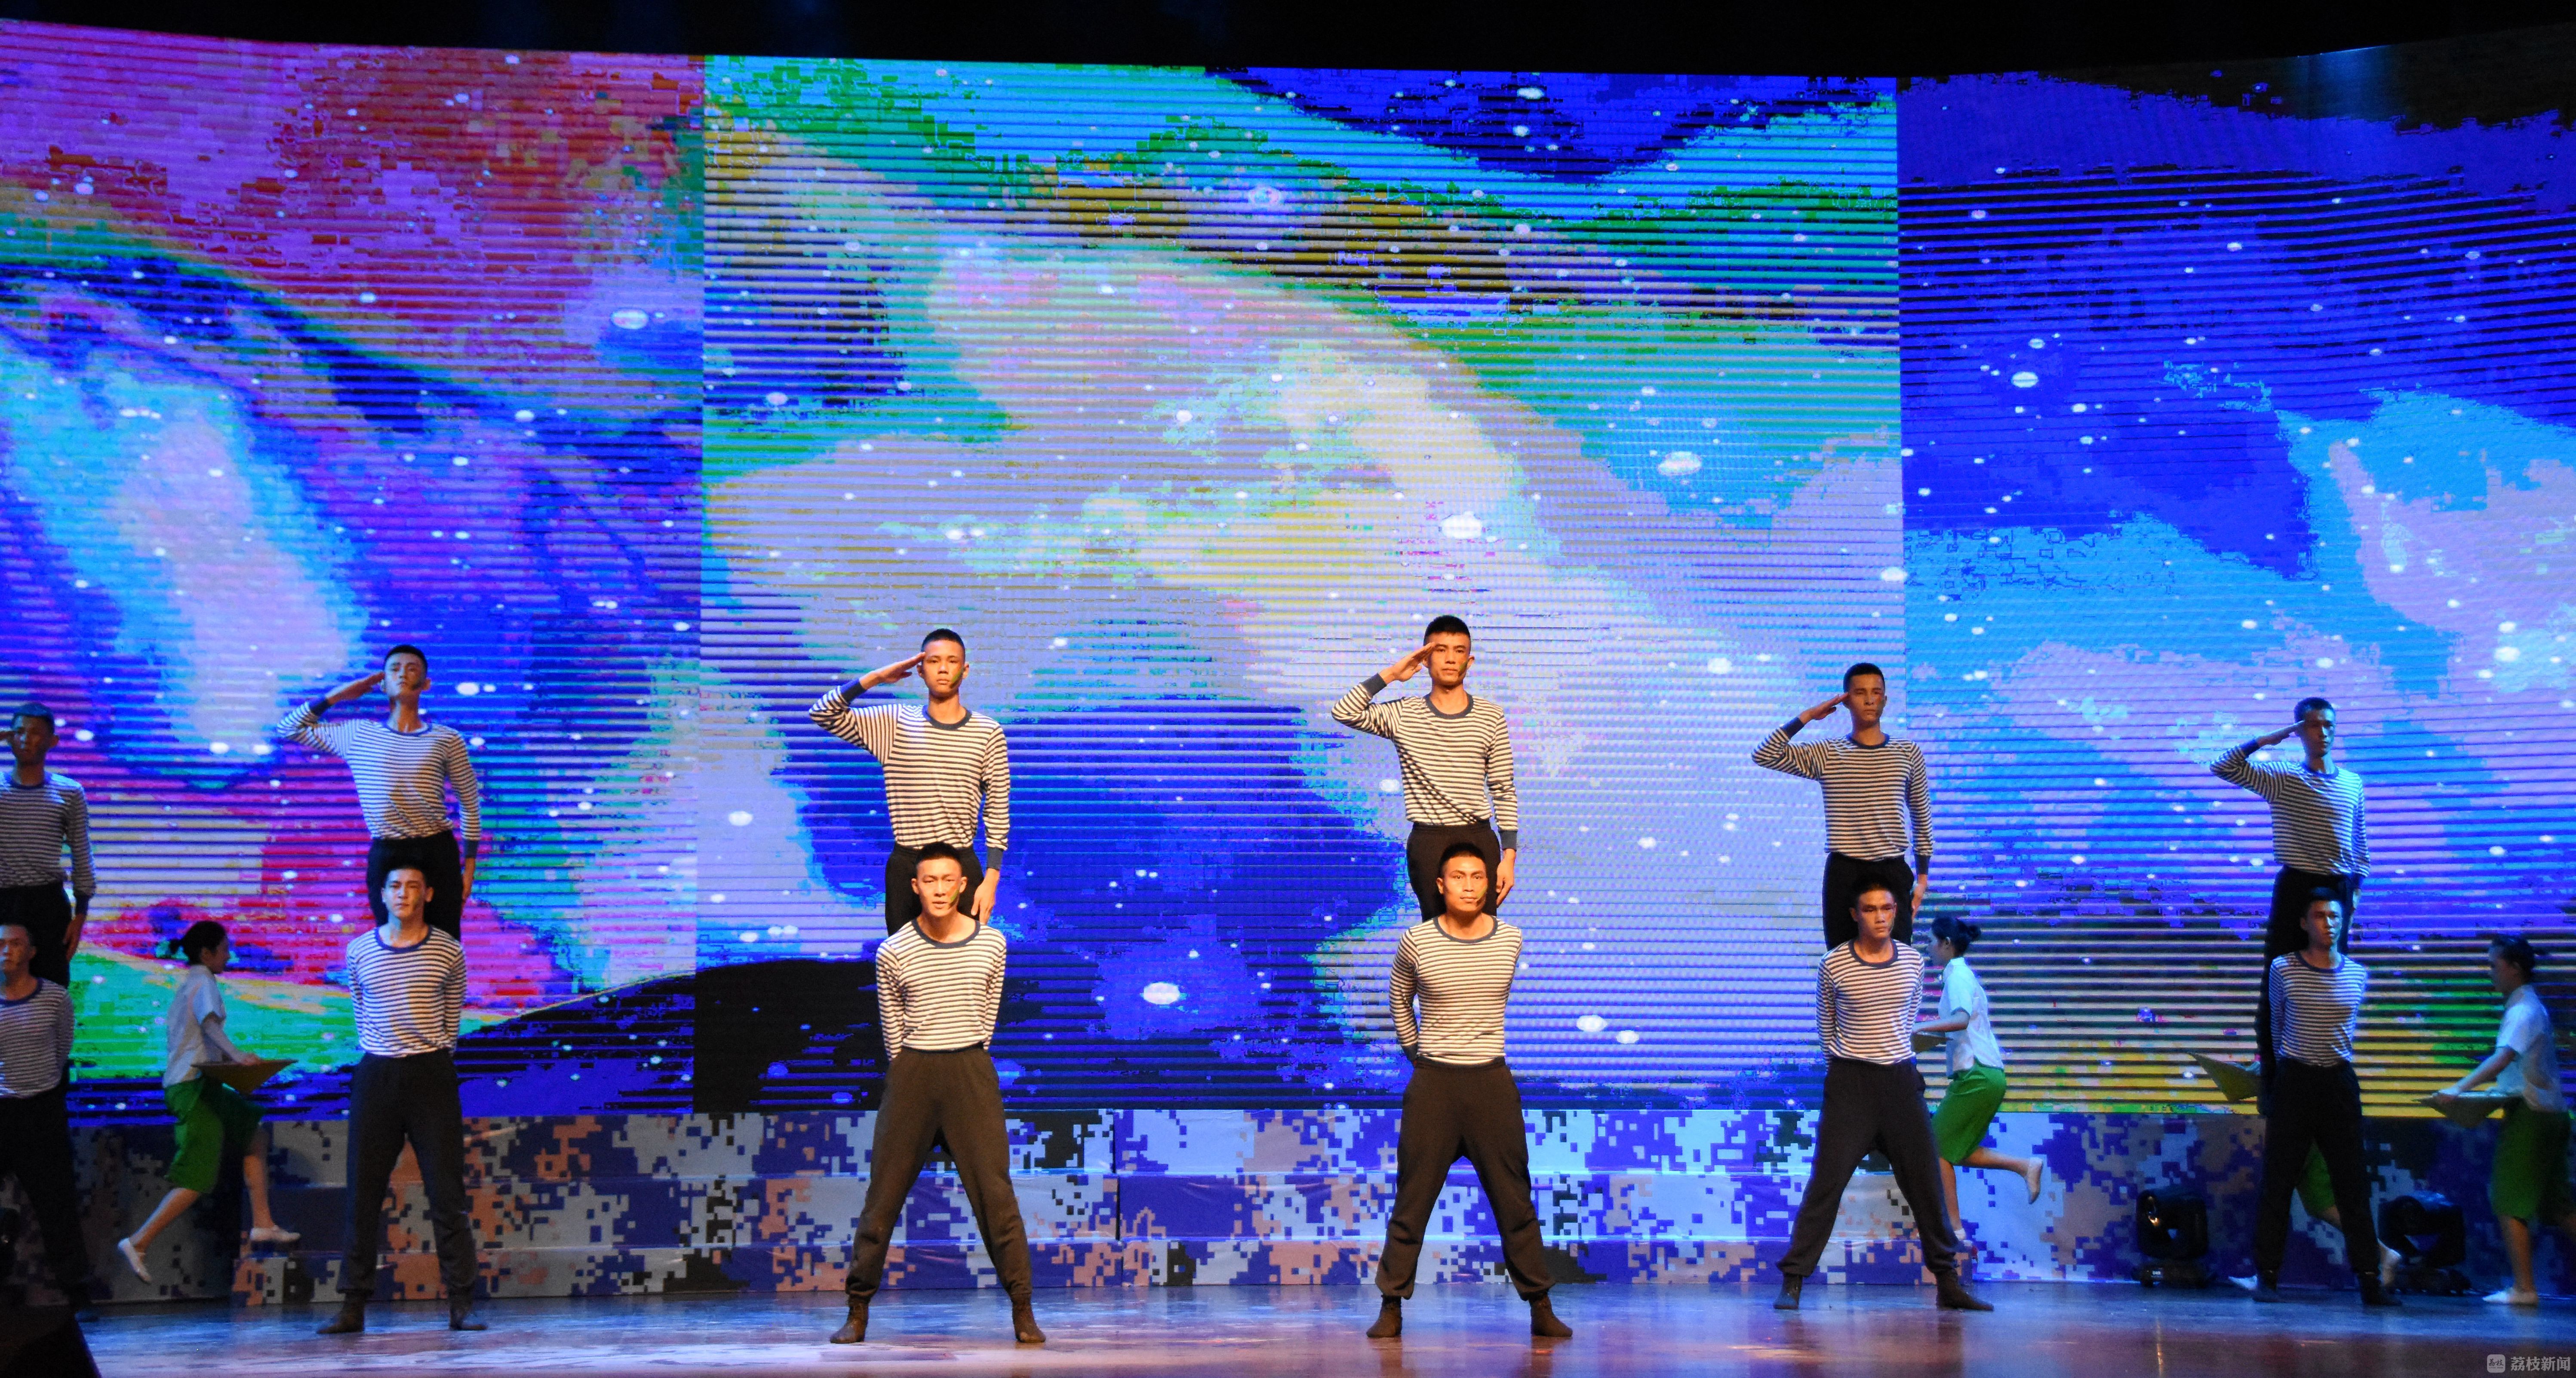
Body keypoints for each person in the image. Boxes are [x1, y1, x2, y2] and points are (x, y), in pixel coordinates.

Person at [834, 842, 1041, 1346]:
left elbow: (987, 1016)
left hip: (970, 1070)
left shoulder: (991, 943)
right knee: (883, 1196)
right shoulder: (894, 951)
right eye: (930, 881)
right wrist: (915, 1067)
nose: (940, 890)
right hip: (914, 1073)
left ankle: (1023, 1309)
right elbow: (892, 1029)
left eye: (949, 880)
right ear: (915, 886)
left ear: (963, 884)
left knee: (996, 1196)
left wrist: (962, 1053)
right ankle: (857, 1310)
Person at [1367, 843, 1570, 1341]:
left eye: (1477, 876)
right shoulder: (1416, 941)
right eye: (1457, 876)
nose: (1468, 885)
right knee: (1412, 1200)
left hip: (1489, 1083)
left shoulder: (1510, 939)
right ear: (1440, 886)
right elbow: (1399, 998)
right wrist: (1417, 1053)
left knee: (1514, 1201)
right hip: (1434, 1085)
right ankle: (1390, 1305)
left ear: (1490, 884)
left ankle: (1540, 1305)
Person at [1774, 884, 1989, 1312]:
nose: (1880, 917)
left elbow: (1906, 1020)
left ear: (1895, 913)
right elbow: (1826, 1026)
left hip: (1899, 1083)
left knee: (1925, 1184)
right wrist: (1848, 1067)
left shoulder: (1912, 961)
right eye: (1870, 909)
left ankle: (1947, 1283)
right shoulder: (1834, 963)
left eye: (1887, 909)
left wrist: (1893, 1057)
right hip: (1850, 1084)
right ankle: (1793, 1280)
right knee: (1826, 1184)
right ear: (1855, 914)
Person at [318, 866, 483, 1334]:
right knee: (363, 1192)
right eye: (395, 886)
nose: (403, 894)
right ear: (382, 894)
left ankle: (462, 1303)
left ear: (428, 894)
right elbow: (361, 1009)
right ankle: (353, 1304)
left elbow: (451, 1021)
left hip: (430, 1073)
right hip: (377, 1073)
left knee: (446, 1192)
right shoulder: (360, 950)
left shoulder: (448, 950)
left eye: (412, 887)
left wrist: (427, 1054)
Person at [114, 920, 298, 1283]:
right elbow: (210, 1026)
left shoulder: (191, 984)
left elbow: (203, 1038)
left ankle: (263, 1223)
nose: (229, 955)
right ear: (207, 953)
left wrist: (236, 1070)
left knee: (254, 1134)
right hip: (193, 1088)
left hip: (205, 1085)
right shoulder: (203, 983)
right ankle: (139, 1241)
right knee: (197, 1177)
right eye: (224, 949)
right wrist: (238, 1057)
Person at [2210, 697, 2366, 1090]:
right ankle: (2270, 1072)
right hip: (2297, 884)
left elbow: (2359, 840)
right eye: (2313, 725)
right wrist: (2268, 740)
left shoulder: (2352, 782)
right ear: (2299, 731)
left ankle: (2322, 1064)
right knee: (2279, 978)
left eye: (2329, 725)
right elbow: (2223, 766)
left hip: (2338, 888)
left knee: (2329, 979)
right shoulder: (2284, 776)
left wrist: (2356, 888)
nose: (2323, 733)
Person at [809, 630, 1011, 934]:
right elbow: (823, 713)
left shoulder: (988, 732)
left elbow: (998, 807)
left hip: (960, 866)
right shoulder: (893, 723)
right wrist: (877, 677)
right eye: (933, 661)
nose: (943, 669)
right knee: (906, 960)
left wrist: (992, 879)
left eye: (952, 661)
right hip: (907, 866)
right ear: (920, 669)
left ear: (965, 670)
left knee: (962, 960)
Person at [275, 646, 483, 939]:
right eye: (394, 668)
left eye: (412, 668)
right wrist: (338, 695)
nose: (403, 673)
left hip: (437, 849)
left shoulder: (447, 739)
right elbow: (288, 728)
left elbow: (470, 803)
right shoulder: (358, 734)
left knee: (444, 941)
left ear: (426, 683)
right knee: (392, 941)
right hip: (388, 850)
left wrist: (469, 869)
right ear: (382, 683)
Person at [2249, 890, 2395, 1306]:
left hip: (2337, 1082)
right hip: (2296, 1080)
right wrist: (2283, 1074)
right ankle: (2267, 1277)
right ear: (2303, 923)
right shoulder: (2284, 968)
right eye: (2318, 916)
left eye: (2334, 916)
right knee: (2278, 1183)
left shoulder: (2356, 973)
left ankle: (2370, 1280)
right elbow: (2277, 1027)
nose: (2328, 923)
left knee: (2352, 1185)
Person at [1331, 615, 1519, 922]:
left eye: (1459, 651)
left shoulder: (1491, 715)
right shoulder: (1404, 714)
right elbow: (1344, 711)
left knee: (1482, 934)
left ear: (1470, 661)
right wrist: (1392, 674)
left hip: (1479, 837)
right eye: (1440, 650)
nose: (1450, 659)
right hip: (1429, 840)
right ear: (1425, 658)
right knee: (1436, 934)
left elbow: (1503, 787)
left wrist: (1509, 857)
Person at [2434, 935, 2574, 1307]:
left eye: (2493, 965)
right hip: (2551, 1115)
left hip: (2531, 1116)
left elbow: (2501, 1058)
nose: (2490, 973)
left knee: (2509, 1200)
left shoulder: (2523, 1010)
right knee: (2558, 1207)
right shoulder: (2528, 1006)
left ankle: (2524, 1289)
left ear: (2513, 968)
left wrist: (2458, 1088)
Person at [1752, 664, 1933, 947]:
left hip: (1892, 868)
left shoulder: (1907, 752)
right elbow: (1765, 754)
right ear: (1846, 700)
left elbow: (1921, 815)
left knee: (1896, 958)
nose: (1870, 700)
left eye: (1876, 693)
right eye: (1860, 693)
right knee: (1840, 957)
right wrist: (1808, 716)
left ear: (1885, 699)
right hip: (1845, 870)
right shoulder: (1828, 752)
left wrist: (1922, 878)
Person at [1913, 916, 2042, 1249]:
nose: (1928, 948)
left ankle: (1953, 1231)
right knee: (1957, 1150)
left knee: (1935, 1148)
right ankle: (2025, 1166)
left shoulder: (1957, 974)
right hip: (1986, 1075)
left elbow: (1960, 1021)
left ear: (1946, 944)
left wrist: (1917, 1028)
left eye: (1931, 941)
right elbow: (1960, 1030)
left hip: (1977, 1075)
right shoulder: (1963, 976)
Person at [0, 921, 95, 1316]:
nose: (7, 951)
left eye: (15, 943)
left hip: (41, 1111)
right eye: (1, 944)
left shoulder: (55, 998)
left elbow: (61, 1050)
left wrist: (41, 1091)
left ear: (32, 952)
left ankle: (78, 1293)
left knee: (57, 1205)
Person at [0, 702, 95, 987]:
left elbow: (81, 852)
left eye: (35, 733)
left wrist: (81, 915)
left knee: (50, 986)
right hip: (2, 898)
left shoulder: (69, 792)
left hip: (46, 904)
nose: (26, 739)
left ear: (52, 741)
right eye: (19, 732)